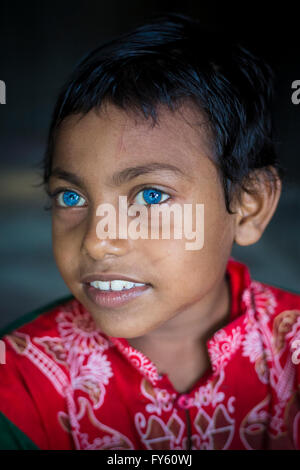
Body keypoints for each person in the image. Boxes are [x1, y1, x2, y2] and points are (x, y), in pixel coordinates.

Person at [0, 13, 299, 451]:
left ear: (249, 206)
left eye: (151, 196)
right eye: (71, 197)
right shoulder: (19, 378)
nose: (97, 241)